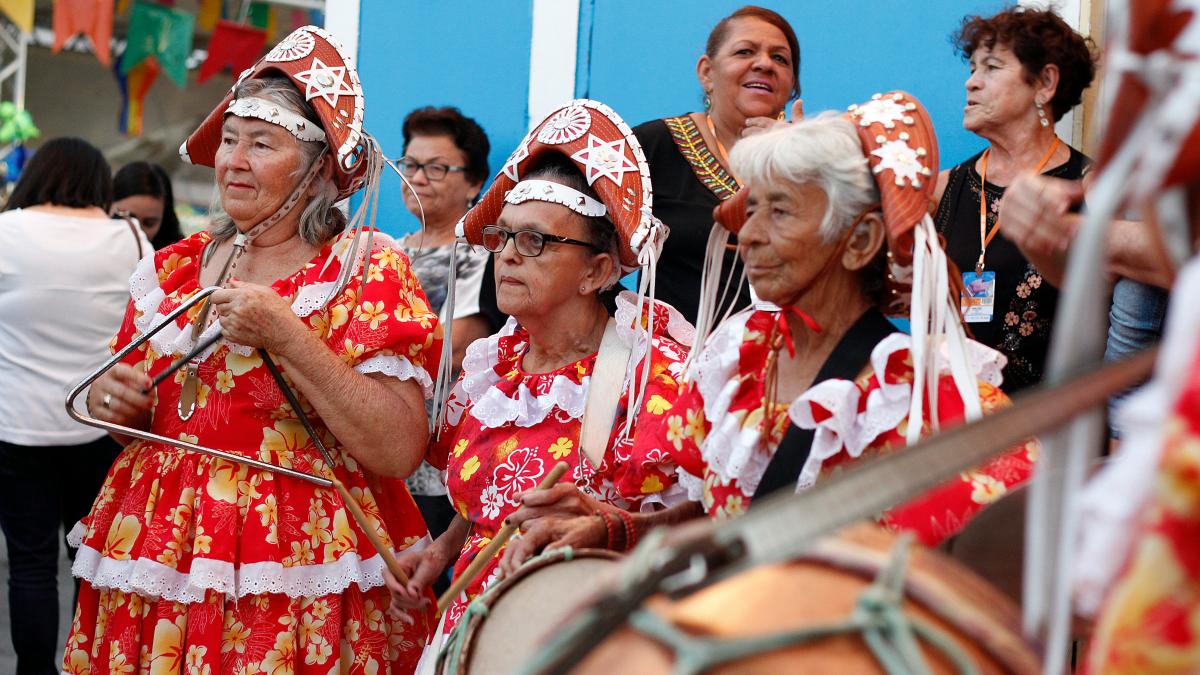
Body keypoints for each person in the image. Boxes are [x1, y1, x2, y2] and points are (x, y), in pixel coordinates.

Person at [506, 95, 1037, 562]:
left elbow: (979, 579)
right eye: (750, 209)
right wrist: (617, 528)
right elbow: (722, 520)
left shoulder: (928, 400)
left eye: (778, 211)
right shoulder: (740, 360)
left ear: (860, 240)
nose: (749, 235)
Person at [63, 27, 439, 673]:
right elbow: (149, 421)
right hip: (157, 552)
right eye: (230, 141)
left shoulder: (362, 272)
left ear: (319, 166)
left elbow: (397, 448)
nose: (233, 160)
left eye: (261, 144)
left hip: (293, 563)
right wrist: (116, 404)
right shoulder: (172, 271)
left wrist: (287, 334)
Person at [384, 100, 691, 640]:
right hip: (474, 630)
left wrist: (612, 527)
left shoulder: (652, 378)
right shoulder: (493, 369)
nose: (506, 256)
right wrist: (441, 551)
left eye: (535, 241)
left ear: (596, 271)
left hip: (583, 639)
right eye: (502, 237)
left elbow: (701, 523)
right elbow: (495, 503)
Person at [0, 137, 147, 675]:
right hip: (99, 426)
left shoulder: (5, 232)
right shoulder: (129, 237)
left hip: (15, 427)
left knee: (30, 566)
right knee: (91, 560)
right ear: (98, 182)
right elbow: (150, 327)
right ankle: (90, 662)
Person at [933, 7, 1097, 393]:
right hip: (951, 429)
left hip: (1049, 431)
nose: (971, 83)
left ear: (1045, 83)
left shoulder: (1090, 190)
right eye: (972, 69)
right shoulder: (942, 188)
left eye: (991, 68)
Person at [634, 5, 802, 324]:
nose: (765, 64)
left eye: (780, 58)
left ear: (791, 86)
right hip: (674, 363)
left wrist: (802, 162)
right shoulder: (653, 146)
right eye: (745, 51)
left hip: (789, 360)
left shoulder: (816, 161)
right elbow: (581, 249)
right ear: (706, 72)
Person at [395, 106, 495, 542]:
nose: (417, 178)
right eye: (411, 165)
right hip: (381, 453)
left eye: (436, 168)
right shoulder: (387, 252)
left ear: (474, 183)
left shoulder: (482, 254)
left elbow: (457, 348)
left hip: (443, 462)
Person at [112, 161, 184, 250]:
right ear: (108, 205)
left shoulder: (176, 258)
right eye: (126, 217)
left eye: (149, 223)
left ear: (164, 220)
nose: (138, 232)